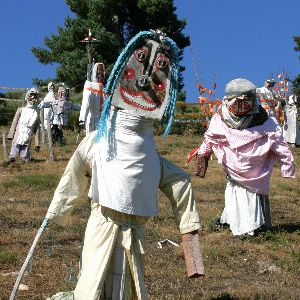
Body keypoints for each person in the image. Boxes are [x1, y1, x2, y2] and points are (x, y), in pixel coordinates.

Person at [45, 30, 204, 300]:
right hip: (102, 226)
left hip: (136, 234)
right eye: (142, 61)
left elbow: (181, 183)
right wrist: (56, 212)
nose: (145, 80)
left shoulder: (151, 156)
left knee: (129, 288)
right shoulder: (97, 142)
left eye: (160, 69)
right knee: (91, 285)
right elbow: (75, 173)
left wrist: (193, 252)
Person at [193, 78, 295, 236]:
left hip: (255, 170)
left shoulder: (263, 121)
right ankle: (230, 220)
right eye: (237, 102)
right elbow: (210, 139)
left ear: (252, 101)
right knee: (235, 192)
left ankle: (251, 227)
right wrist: (202, 158)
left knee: (249, 194)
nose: (241, 106)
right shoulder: (220, 120)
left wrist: (287, 166)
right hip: (233, 169)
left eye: (245, 102)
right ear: (228, 101)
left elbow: (279, 144)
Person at [7, 88, 41, 162]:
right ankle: (12, 159)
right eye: (30, 96)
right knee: (15, 149)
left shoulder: (37, 113)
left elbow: (37, 130)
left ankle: (25, 160)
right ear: (27, 97)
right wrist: (10, 135)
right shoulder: (20, 109)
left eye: (34, 96)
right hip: (18, 134)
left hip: (28, 136)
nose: (32, 98)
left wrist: (37, 144)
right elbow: (14, 123)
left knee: (25, 154)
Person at [79, 63, 106, 135]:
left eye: (102, 71)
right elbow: (86, 102)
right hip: (92, 119)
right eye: (99, 70)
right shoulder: (90, 85)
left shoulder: (103, 88)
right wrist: (82, 118)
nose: (101, 73)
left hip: (102, 120)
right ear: (95, 71)